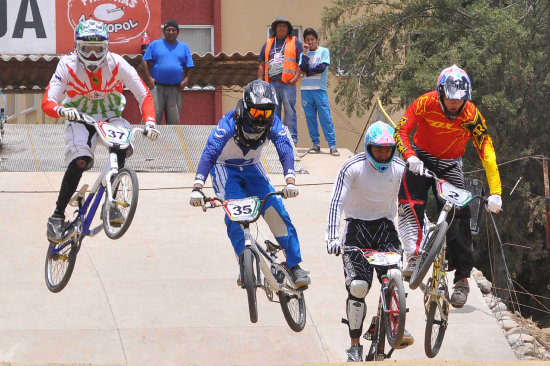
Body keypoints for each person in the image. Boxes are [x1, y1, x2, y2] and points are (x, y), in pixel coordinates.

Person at [42, 19, 159, 243]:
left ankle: (111, 203)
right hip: (78, 116)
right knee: (81, 160)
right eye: (87, 49)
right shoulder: (67, 65)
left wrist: (151, 122)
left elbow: (144, 94)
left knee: (121, 149)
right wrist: (61, 111)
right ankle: (57, 216)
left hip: (111, 117)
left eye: (99, 49)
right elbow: (48, 101)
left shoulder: (118, 64)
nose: (94, 56)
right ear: (77, 47)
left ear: (107, 47)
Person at [395, 64, 502, 308]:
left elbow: (487, 151)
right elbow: (401, 130)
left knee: (461, 216)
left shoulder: (472, 115)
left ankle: (462, 280)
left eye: (459, 100)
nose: (454, 105)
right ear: (440, 93)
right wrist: (409, 156)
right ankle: (412, 255)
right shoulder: (424, 103)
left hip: (451, 165)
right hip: (420, 158)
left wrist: (496, 192)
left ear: (467, 96)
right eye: (450, 99)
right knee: (410, 203)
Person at [189, 79, 311, 288]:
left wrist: (290, 180)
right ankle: (243, 263)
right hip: (225, 167)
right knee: (234, 215)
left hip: (253, 166)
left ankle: (295, 265)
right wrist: (198, 187)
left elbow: (284, 147)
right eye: (256, 113)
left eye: (267, 112)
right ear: (245, 108)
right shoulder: (229, 123)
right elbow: (210, 152)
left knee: (276, 212)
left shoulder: (273, 122)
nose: (262, 118)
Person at [326, 121, 412, 361]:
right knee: (358, 287)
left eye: (388, 150)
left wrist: (419, 236)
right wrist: (332, 236)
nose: (384, 155)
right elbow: (336, 202)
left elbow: (410, 204)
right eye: (378, 150)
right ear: (368, 148)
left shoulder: (400, 167)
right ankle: (355, 345)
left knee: (394, 275)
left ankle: (396, 322)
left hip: (385, 228)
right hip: (356, 229)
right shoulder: (352, 167)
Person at [258, 16, 302, 144]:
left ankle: (291, 138)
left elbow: (301, 62)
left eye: (284, 26)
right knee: (273, 112)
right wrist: (260, 82)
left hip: (288, 84)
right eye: (279, 26)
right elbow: (261, 64)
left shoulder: (294, 42)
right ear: (275, 28)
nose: (282, 28)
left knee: (289, 111)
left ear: (288, 29)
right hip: (272, 84)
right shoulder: (268, 43)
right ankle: (274, 138)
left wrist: (295, 78)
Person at [141, 19, 194, 125]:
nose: (171, 32)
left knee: (174, 122)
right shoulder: (155, 44)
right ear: (164, 31)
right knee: (152, 120)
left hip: (175, 89)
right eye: (168, 30)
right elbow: (144, 61)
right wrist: (149, 77)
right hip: (157, 88)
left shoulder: (184, 47)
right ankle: (148, 142)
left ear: (177, 32)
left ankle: (172, 142)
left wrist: (186, 81)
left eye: (173, 30)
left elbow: (190, 66)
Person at [298, 28, 339, 156]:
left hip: (319, 90)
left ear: (317, 40)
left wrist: (308, 72)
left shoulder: (324, 51)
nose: (310, 42)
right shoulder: (303, 55)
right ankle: (315, 144)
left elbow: (322, 67)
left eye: (312, 39)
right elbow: (302, 67)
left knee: (325, 117)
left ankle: (332, 145)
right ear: (304, 41)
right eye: (307, 40)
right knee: (310, 118)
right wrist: (304, 53)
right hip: (306, 90)